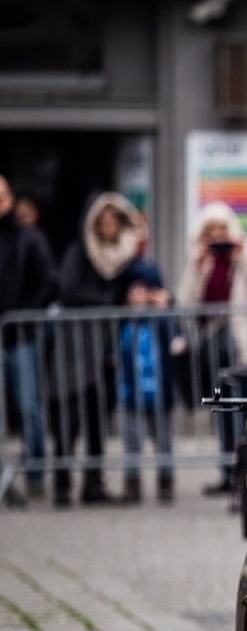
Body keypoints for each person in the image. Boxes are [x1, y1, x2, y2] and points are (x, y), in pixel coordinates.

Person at [174, 200, 247, 495]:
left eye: (223, 229)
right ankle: (228, 473)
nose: (219, 237)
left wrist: (243, 258)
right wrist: (197, 267)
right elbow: (185, 304)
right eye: (211, 231)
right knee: (225, 413)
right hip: (217, 353)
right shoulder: (201, 262)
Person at [52, 191, 147, 506]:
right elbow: (68, 290)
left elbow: (144, 285)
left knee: (97, 418)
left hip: (106, 350)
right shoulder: (79, 254)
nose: (108, 228)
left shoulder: (124, 259)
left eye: (113, 222)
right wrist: (110, 303)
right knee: (71, 417)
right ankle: (62, 483)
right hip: (75, 348)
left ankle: (93, 484)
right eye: (102, 222)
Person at [0, 173, 57, 503]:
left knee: (28, 407)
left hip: (20, 335)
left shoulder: (29, 239)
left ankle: (35, 474)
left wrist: (22, 315)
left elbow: (50, 283)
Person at [116, 259, 178, 504]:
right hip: (132, 391)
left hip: (160, 392)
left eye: (145, 289)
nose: (138, 295)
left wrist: (166, 305)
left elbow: (178, 336)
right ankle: (132, 483)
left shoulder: (162, 320)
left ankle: (166, 481)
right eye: (134, 289)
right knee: (132, 440)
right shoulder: (122, 320)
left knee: (163, 440)